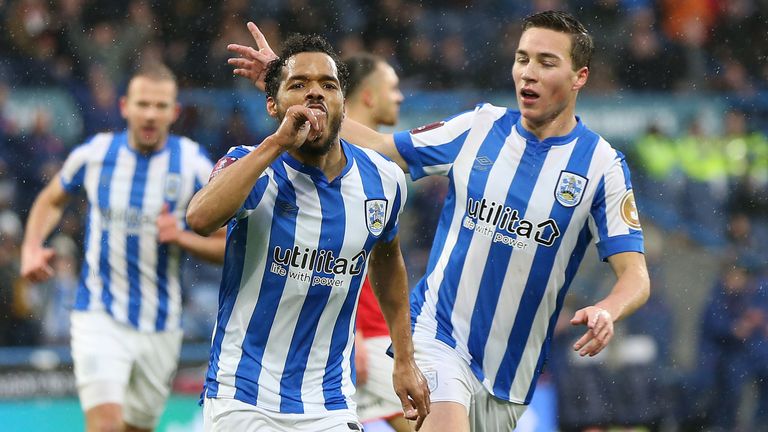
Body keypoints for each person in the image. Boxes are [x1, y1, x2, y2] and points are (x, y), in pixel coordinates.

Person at [228, 10, 650, 431]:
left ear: (580, 76)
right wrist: (291, 93)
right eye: (522, 59)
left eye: (546, 62)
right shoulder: (479, 127)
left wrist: (608, 310)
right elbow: (380, 146)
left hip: (511, 376)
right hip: (438, 338)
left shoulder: (602, 166)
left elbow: (635, 275)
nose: (528, 73)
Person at [186, 34, 430, 432]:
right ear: (273, 104)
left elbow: (388, 263)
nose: (314, 94)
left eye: (327, 85)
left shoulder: (384, 181)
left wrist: (404, 359)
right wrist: (278, 142)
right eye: (298, 85)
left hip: (329, 401)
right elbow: (200, 217)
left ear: (343, 104)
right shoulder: (249, 166)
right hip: (244, 396)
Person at [20, 63, 226, 432]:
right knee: (105, 425)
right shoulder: (95, 154)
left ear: (174, 112)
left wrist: (182, 237)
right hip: (99, 313)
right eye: (142, 104)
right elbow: (51, 200)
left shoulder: (193, 164)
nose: (150, 114)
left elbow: (229, 244)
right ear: (124, 106)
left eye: (160, 106)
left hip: (161, 325)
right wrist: (32, 246)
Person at [344, 52, 409, 431]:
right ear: (368, 96)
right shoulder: (341, 161)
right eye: (393, 88)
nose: (400, 97)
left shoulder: (378, 162)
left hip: (373, 332)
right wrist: (356, 334)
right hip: (364, 335)